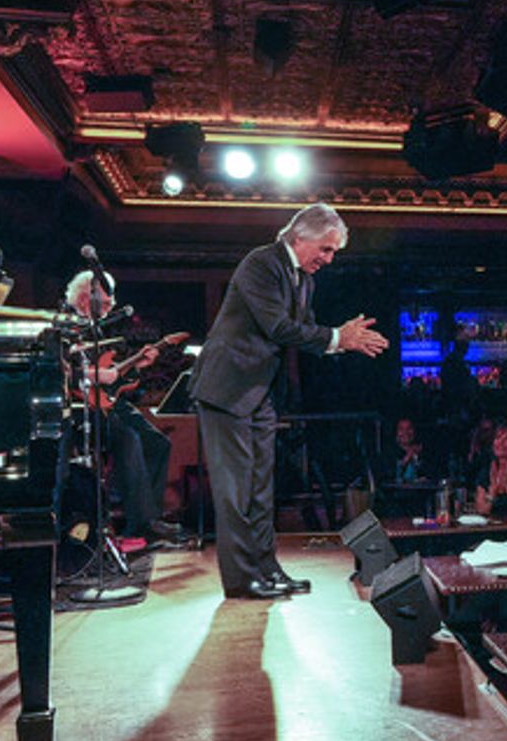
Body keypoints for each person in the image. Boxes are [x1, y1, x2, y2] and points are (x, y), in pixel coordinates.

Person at [190, 203, 388, 600]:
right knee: (236, 493)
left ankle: (267, 569)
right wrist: (336, 337)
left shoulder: (304, 280)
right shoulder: (260, 263)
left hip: (261, 393)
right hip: (227, 391)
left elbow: (301, 331)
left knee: (262, 489)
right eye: (326, 249)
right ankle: (242, 579)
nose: (328, 260)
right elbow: (278, 327)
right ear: (300, 237)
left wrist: (337, 341)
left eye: (334, 252)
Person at [64, 270, 180, 546]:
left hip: (106, 404)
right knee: (129, 438)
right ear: (83, 299)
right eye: (104, 303)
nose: (110, 309)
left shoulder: (97, 330)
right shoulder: (66, 327)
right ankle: (139, 525)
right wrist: (96, 375)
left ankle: (148, 519)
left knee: (157, 443)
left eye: (110, 303)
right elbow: (63, 369)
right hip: (80, 409)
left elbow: (113, 380)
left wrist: (135, 366)